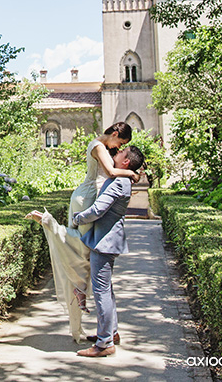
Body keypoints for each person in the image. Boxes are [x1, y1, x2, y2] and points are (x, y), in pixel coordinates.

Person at [24, 123, 139, 341]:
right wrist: (131, 172)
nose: (119, 147)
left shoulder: (103, 148)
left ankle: (85, 296)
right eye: (121, 143)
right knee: (83, 247)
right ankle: (48, 224)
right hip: (87, 199)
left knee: (87, 253)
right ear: (114, 134)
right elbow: (112, 171)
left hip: (88, 197)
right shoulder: (98, 146)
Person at [73, 145, 146, 357]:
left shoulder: (119, 182)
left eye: (122, 153)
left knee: (101, 291)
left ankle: (104, 343)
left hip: (104, 243)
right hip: (107, 241)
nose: (117, 153)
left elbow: (98, 210)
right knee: (106, 290)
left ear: (126, 162)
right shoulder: (121, 179)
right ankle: (110, 333)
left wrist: (77, 218)